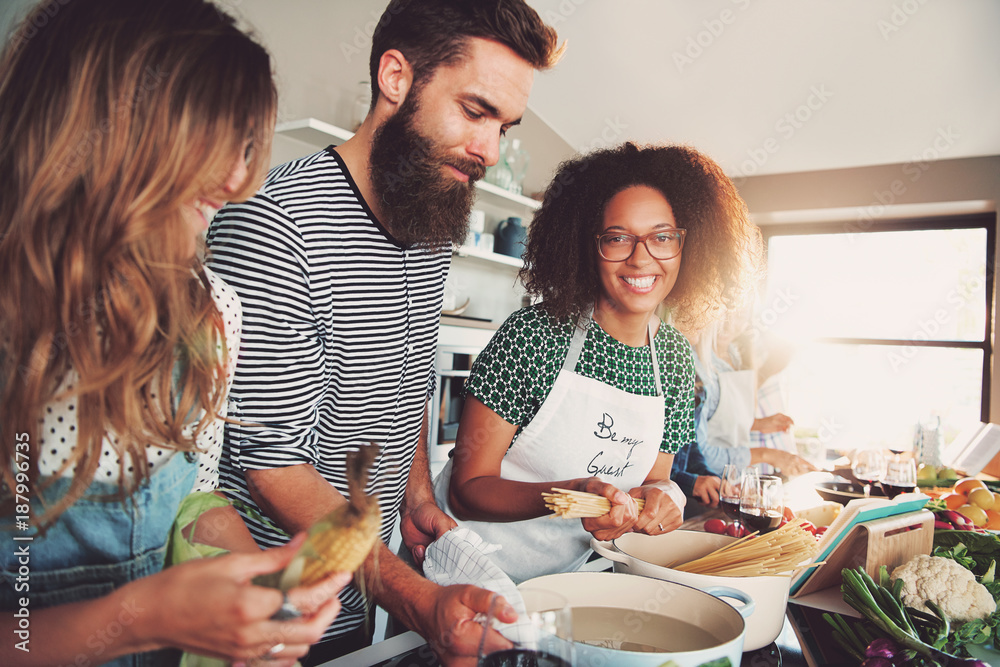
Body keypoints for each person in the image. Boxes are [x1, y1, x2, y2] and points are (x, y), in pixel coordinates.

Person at [204, 0, 563, 663]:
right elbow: (271, 464)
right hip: (266, 607)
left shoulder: (427, 215)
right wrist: (414, 596)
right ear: (396, 77)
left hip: (360, 586)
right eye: (476, 111)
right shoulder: (277, 226)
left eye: (504, 126)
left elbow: (406, 378)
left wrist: (417, 492)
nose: (490, 149)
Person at [0, 1, 349, 666]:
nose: (237, 182)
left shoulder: (213, 309)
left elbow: (194, 494)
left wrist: (266, 589)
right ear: (103, 119)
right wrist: (138, 617)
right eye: (215, 140)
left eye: (246, 149)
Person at [434, 142, 763, 583]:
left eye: (662, 236)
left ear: (691, 247)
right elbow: (467, 491)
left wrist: (665, 497)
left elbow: (652, 481)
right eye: (617, 237)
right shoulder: (534, 335)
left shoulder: (675, 360)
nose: (641, 257)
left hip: (572, 582)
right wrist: (569, 494)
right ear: (589, 247)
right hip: (466, 570)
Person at [687, 316, 816, 477]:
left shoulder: (735, 355)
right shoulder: (694, 366)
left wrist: (757, 424)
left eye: (738, 316)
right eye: (723, 314)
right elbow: (697, 454)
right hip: (704, 483)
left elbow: (716, 420)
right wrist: (767, 455)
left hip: (732, 480)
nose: (728, 324)